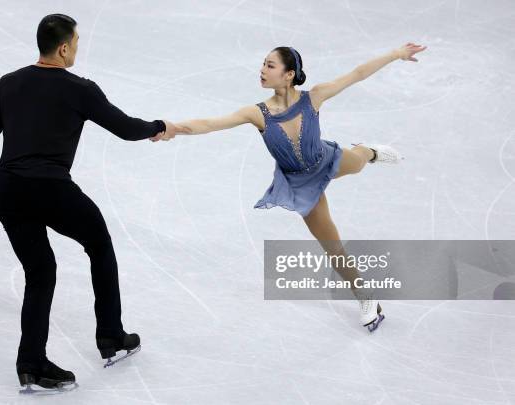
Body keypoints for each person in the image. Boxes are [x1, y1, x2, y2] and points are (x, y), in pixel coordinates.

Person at [0, 13, 179, 389]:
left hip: (9, 190)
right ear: (64, 48)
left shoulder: (8, 83)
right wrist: (159, 128)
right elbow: (126, 128)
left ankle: (30, 363)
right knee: (98, 243)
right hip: (51, 188)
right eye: (77, 42)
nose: (78, 47)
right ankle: (111, 337)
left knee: (40, 271)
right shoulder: (80, 88)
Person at [152, 43, 427, 332]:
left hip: (326, 159)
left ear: (288, 74)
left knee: (358, 161)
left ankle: (370, 151)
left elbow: (357, 74)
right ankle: (364, 295)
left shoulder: (314, 97)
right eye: (263, 64)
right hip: (300, 183)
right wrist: (174, 128)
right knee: (331, 244)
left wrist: (395, 54)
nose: (262, 69)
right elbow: (210, 123)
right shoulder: (257, 113)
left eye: (270, 65)